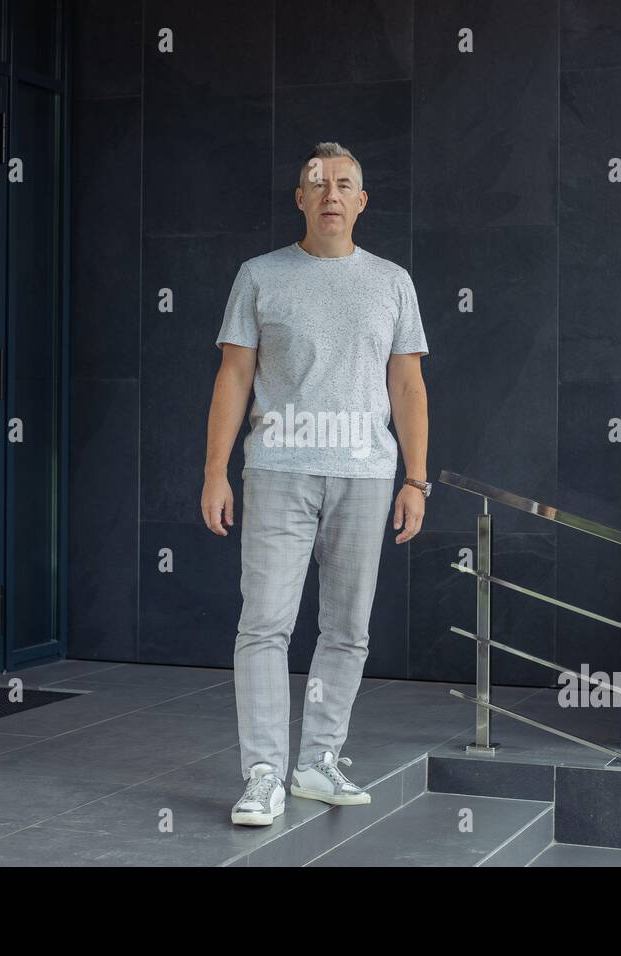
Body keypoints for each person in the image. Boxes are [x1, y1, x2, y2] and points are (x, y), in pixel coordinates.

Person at [201, 141, 431, 826]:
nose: (330, 193)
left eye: (344, 184)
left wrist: (416, 479)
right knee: (265, 625)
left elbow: (408, 383)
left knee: (347, 631)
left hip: (366, 474)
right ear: (299, 198)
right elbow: (234, 376)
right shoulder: (260, 275)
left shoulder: (392, 281)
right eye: (317, 183)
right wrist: (215, 471)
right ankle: (264, 774)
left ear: (361, 201)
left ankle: (317, 761)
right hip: (277, 471)